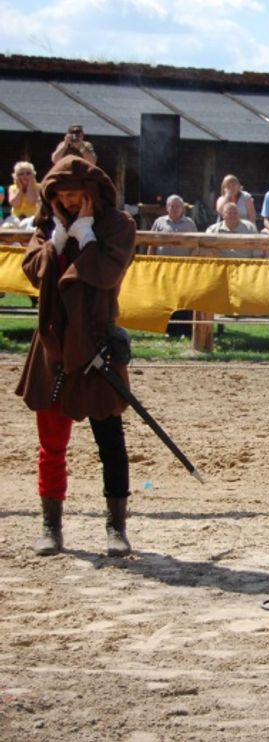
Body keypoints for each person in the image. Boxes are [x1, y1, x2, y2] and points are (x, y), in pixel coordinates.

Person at [15, 155, 136, 557]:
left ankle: (116, 528)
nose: (68, 203)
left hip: (97, 344)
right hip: (53, 346)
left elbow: (107, 274)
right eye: (62, 196)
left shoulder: (117, 227)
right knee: (51, 445)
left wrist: (86, 238)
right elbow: (33, 271)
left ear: (92, 194)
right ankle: (51, 525)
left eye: (76, 195)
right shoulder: (46, 228)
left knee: (110, 443)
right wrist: (59, 241)